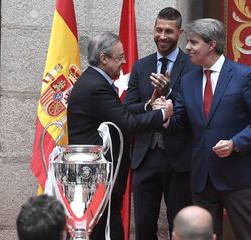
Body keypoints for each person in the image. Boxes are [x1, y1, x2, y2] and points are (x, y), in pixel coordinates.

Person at [164, 18, 251, 240]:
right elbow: (180, 124)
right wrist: (166, 117)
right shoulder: (187, 80)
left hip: (238, 175)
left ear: (211, 44)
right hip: (202, 176)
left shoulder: (243, 76)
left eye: (193, 43)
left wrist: (235, 143)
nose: (187, 48)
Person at [67, 32, 173, 240]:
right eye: (119, 57)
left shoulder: (94, 80)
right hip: (97, 176)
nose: (124, 61)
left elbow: (118, 113)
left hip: (100, 176)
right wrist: (163, 114)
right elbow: (127, 123)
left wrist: (148, 106)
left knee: (106, 226)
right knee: (104, 228)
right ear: (104, 58)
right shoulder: (97, 86)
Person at [124, 7, 195, 240]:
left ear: (180, 32)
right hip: (145, 157)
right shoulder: (141, 66)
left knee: (180, 224)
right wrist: (150, 102)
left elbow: (193, 109)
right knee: (144, 224)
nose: (162, 36)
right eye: (158, 30)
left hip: (179, 157)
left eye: (168, 31)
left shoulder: (192, 66)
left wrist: (169, 92)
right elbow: (128, 109)